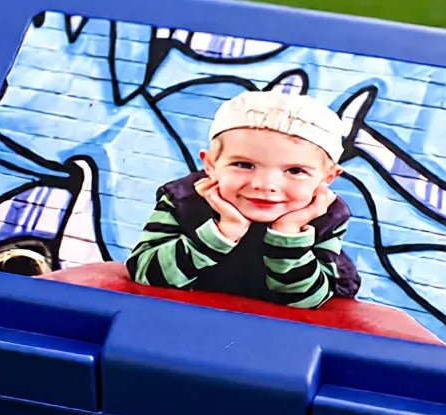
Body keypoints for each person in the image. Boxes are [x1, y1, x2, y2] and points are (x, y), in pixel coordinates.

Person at [126, 90, 360, 309]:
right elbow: (145, 274)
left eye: (295, 171)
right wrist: (222, 232)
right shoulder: (183, 200)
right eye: (243, 165)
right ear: (211, 165)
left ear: (328, 177)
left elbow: (306, 301)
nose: (266, 185)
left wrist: (288, 233)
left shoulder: (325, 216)